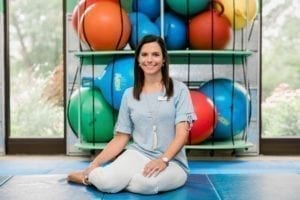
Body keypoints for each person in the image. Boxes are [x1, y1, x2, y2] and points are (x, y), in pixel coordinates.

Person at [67, 34, 196, 194]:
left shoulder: (179, 90)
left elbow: (182, 135)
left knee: (146, 185)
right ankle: (89, 176)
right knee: (107, 183)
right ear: (138, 60)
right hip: (137, 154)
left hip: (173, 162)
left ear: (163, 60)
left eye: (155, 54)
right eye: (144, 55)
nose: (150, 59)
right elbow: (121, 138)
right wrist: (95, 164)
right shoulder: (129, 95)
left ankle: (117, 179)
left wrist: (163, 160)